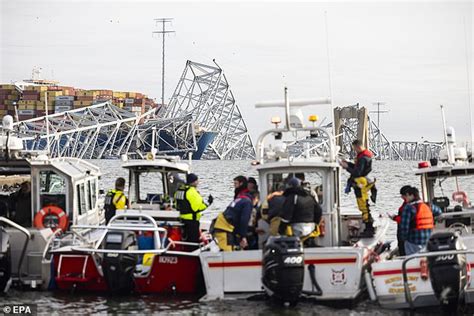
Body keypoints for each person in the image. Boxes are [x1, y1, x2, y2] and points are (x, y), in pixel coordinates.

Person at [340, 140, 376, 238]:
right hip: (361, 183)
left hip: (360, 184)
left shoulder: (363, 158)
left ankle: (369, 229)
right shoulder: (364, 157)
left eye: (355, 149)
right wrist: (348, 164)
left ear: (358, 147)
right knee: (364, 206)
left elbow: (357, 173)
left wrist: (347, 167)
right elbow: (357, 168)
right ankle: (369, 228)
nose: (355, 151)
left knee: (363, 207)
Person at [279, 178, 322, 244]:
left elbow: (287, 215)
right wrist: (316, 223)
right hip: (311, 227)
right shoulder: (309, 196)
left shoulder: (292, 197)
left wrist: (280, 229)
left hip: (297, 228)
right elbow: (318, 211)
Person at [400, 186, 442, 255]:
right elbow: (439, 211)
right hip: (427, 240)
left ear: (411, 195)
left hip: (413, 242)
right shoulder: (428, 205)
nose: (405, 198)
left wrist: (403, 239)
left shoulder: (408, 208)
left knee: (412, 260)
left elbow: (404, 228)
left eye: (406, 196)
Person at [175, 173, 212, 243]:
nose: (198, 182)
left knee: (185, 239)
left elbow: (176, 203)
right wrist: (208, 203)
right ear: (194, 181)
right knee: (193, 241)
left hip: (181, 219)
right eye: (197, 180)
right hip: (191, 221)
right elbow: (197, 208)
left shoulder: (180, 190)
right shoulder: (192, 192)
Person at [391, 185, 412, 256]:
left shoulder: (409, 205)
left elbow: (405, 219)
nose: (401, 197)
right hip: (403, 232)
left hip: (405, 232)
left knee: (404, 249)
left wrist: (394, 218)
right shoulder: (407, 203)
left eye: (402, 195)